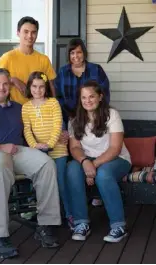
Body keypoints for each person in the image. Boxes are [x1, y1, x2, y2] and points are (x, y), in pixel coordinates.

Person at [0, 68, 61, 259]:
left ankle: (46, 224)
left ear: (10, 87)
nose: (1, 87)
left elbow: (32, 130)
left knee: (46, 163)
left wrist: (60, 135)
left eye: (5, 84)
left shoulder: (17, 107)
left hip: (15, 151)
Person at [66, 80, 131, 243]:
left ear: (100, 97)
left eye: (92, 96)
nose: (88, 101)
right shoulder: (74, 119)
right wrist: (85, 162)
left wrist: (92, 166)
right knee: (72, 170)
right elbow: (74, 147)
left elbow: (115, 148)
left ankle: (119, 226)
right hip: (87, 160)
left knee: (103, 174)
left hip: (117, 159)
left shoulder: (111, 114)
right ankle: (81, 223)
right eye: (84, 98)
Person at [22, 71, 70, 220]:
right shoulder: (26, 107)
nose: (38, 90)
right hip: (38, 151)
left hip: (58, 150)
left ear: (46, 87)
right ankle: (37, 210)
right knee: (39, 183)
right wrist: (35, 145)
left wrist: (50, 144)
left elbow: (57, 125)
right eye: (34, 86)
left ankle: (69, 214)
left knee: (60, 183)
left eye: (41, 87)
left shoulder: (53, 103)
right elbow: (27, 129)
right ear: (30, 87)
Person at [0, 16, 56, 105]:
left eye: (33, 32)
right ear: (18, 33)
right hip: (13, 111)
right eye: (26, 32)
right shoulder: (7, 58)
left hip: (38, 112)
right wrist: (13, 80)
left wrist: (53, 108)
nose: (30, 36)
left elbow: (51, 88)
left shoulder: (44, 59)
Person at [54, 38, 110, 129]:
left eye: (79, 52)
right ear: (68, 55)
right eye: (72, 53)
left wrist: (96, 114)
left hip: (94, 118)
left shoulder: (96, 69)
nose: (75, 56)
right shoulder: (62, 72)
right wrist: (70, 115)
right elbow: (58, 96)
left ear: (84, 53)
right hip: (69, 119)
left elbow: (104, 94)